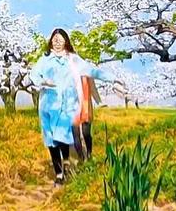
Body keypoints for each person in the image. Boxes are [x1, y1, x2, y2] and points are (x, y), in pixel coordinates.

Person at [26, 28, 123, 184]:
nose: (57, 43)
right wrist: (42, 81)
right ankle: (59, 172)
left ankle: (65, 170)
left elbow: (92, 71)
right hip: (48, 107)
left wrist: (113, 79)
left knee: (63, 138)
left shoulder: (73, 59)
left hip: (67, 107)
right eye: (54, 40)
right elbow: (34, 74)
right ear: (51, 41)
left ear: (66, 41)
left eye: (60, 39)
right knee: (51, 141)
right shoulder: (45, 59)